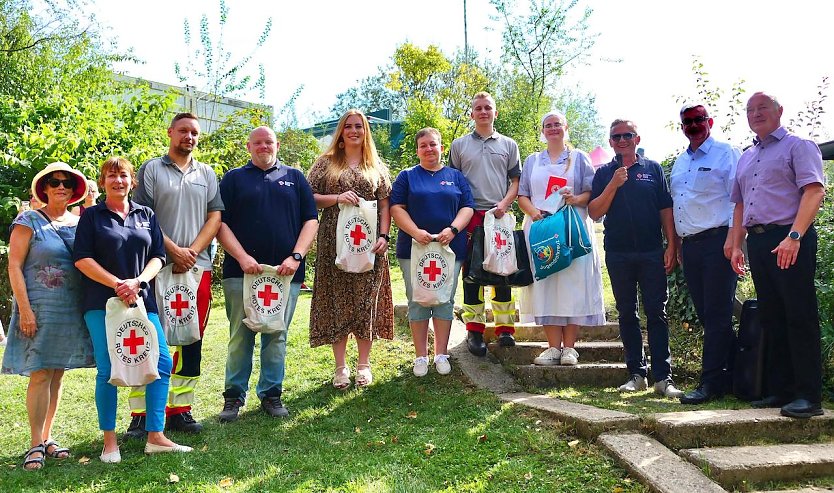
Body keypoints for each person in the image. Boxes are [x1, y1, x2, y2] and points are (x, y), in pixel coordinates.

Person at [74, 156, 191, 463]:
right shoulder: (91, 217)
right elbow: (82, 259)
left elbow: (158, 256)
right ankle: (109, 441)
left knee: (162, 362)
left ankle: (156, 436)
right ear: (102, 183)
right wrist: (117, 284)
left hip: (142, 301)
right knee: (108, 368)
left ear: (132, 181)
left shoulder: (146, 214)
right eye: (111, 176)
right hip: (102, 305)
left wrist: (138, 281)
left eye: (123, 175)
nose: (118, 181)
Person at [124, 112, 224, 437]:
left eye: (194, 132)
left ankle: (181, 409)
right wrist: (173, 251)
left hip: (198, 269)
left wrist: (191, 251)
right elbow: (143, 217)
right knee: (150, 338)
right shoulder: (151, 169)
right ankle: (141, 414)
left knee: (192, 338)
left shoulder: (207, 174)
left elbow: (215, 217)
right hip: (156, 267)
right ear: (170, 132)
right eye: (183, 131)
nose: (189, 137)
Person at [730, 92, 826, 418]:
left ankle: (809, 396)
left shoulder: (798, 146)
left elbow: (814, 191)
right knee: (773, 316)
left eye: (763, 108)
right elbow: (740, 204)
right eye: (750, 110)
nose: (756, 114)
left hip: (790, 237)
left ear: (779, 111)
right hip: (757, 243)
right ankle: (781, 390)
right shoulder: (746, 157)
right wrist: (734, 244)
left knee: (799, 314)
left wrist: (795, 236)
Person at [216, 126, 318, 422]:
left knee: (277, 334)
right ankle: (233, 397)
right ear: (248, 146)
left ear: (277, 144)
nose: (263, 146)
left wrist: (296, 257)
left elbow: (310, 221)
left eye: (268, 142)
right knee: (240, 334)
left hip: (285, 274)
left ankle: (271, 394)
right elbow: (220, 223)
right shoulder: (233, 179)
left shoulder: (295, 178)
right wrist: (242, 257)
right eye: (257, 143)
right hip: (241, 272)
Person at [2, 162, 95, 470]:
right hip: (39, 307)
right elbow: (14, 265)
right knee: (40, 373)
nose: (60, 186)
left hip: (70, 308)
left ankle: (46, 436)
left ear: (73, 190)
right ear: (43, 187)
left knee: (56, 374)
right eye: (54, 181)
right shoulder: (28, 220)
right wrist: (24, 309)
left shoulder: (79, 221)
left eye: (66, 182)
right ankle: (33, 444)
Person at [588, 119, 683, 398]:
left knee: (657, 313)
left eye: (627, 135)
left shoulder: (652, 169)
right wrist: (614, 185)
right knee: (627, 314)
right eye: (616, 136)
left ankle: (663, 378)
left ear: (637, 138)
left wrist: (671, 245)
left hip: (652, 251)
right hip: (618, 253)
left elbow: (666, 209)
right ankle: (636, 374)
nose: (621, 140)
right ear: (610, 142)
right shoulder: (605, 173)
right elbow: (595, 212)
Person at [307, 110, 394, 389]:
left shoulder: (376, 165)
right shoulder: (326, 163)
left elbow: (384, 204)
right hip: (334, 241)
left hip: (368, 242)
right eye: (348, 127)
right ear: (341, 131)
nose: (354, 131)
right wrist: (336, 197)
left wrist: (384, 235)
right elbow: (308, 198)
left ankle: (364, 365)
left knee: (366, 300)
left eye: (359, 126)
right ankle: (340, 367)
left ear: (365, 130)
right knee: (337, 299)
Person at [518, 111, 605, 366]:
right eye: (548, 125)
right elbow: (523, 195)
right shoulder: (532, 160)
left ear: (566, 128)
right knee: (547, 282)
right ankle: (552, 347)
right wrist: (535, 214)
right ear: (543, 131)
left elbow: (591, 192)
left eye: (557, 124)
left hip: (570, 227)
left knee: (572, 283)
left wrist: (574, 199)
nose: (553, 128)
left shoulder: (580, 158)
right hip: (541, 228)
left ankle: (570, 348)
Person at [671, 103, 741, 404]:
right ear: (682, 127)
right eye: (687, 121)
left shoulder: (726, 153)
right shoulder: (679, 162)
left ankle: (710, 383)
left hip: (719, 242)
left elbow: (739, 200)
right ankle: (739, 375)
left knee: (717, 314)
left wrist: (733, 239)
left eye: (698, 119)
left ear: (709, 121)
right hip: (692, 246)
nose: (693, 125)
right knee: (708, 315)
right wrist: (679, 246)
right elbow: (678, 205)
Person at [391, 127, 474, 376]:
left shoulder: (456, 177)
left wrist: (453, 229)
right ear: (417, 150)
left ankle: (441, 354)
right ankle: (420, 357)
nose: (429, 149)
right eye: (423, 145)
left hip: (450, 249)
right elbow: (396, 208)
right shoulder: (407, 177)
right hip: (414, 249)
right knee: (417, 300)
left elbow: (468, 207)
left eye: (433, 144)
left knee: (444, 301)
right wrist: (415, 232)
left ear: (442, 147)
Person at [449, 91, 521, 356]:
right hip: (471, 217)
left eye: (487, 108)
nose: (483, 112)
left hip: (499, 216)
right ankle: (475, 331)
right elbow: (453, 182)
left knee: (503, 273)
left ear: (495, 113)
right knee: (473, 276)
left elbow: (516, 181)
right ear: (471, 114)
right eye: (478, 108)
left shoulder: (509, 145)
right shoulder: (459, 145)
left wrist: (504, 204)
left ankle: (505, 329)